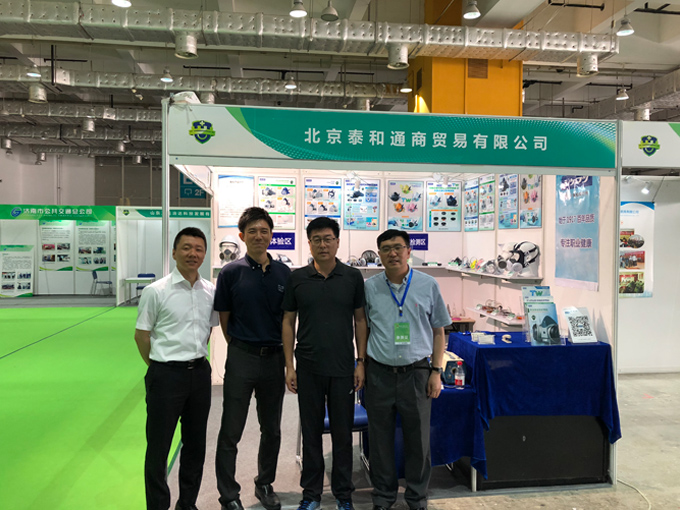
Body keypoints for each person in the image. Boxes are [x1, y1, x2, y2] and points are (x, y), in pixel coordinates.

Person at [282, 217, 368, 510]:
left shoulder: (352, 277)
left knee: (342, 435)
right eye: (316, 239)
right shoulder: (297, 278)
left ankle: (344, 495)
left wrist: (360, 362)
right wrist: (289, 366)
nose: (323, 244)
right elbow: (288, 321)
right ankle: (311, 494)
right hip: (308, 367)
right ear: (309, 243)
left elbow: (360, 320)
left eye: (328, 238)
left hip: (343, 368)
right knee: (311, 433)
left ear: (337, 242)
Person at [363, 229, 450, 510]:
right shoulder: (369, 287)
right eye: (386, 248)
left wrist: (436, 371)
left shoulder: (428, 284)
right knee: (379, 440)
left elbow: (439, 331)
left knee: (418, 441)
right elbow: (363, 328)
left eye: (398, 247)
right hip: (379, 373)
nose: (392, 253)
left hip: (417, 373)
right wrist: (361, 364)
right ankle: (383, 496)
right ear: (379, 254)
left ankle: (416, 497)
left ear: (409, 251)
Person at [134, 227, 218, 510]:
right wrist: (159, 366)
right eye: (186, 247)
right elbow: (141, 336)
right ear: (174, 252)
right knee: (159, 448)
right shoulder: (155, 291)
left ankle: (187, 504)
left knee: (195, 445)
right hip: (166, 376)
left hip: (200, 375)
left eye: (198, 249)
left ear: (204, 254)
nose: (193, 253)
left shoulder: (210, 292)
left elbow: (207, 331)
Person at [213, 207, 292, 510]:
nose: (259, 236)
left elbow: (288, 320)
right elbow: (224, 317)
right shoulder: (231, 272)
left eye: (264, 231)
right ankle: (228, 495)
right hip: (242, 358)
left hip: (273, 360)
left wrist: (287, 363)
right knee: (230, 430)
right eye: (252, 231)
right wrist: (239, 346)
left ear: (271, 235)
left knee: (271, 428)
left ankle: (265, 483)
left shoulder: (284, 273)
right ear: (242, 236)